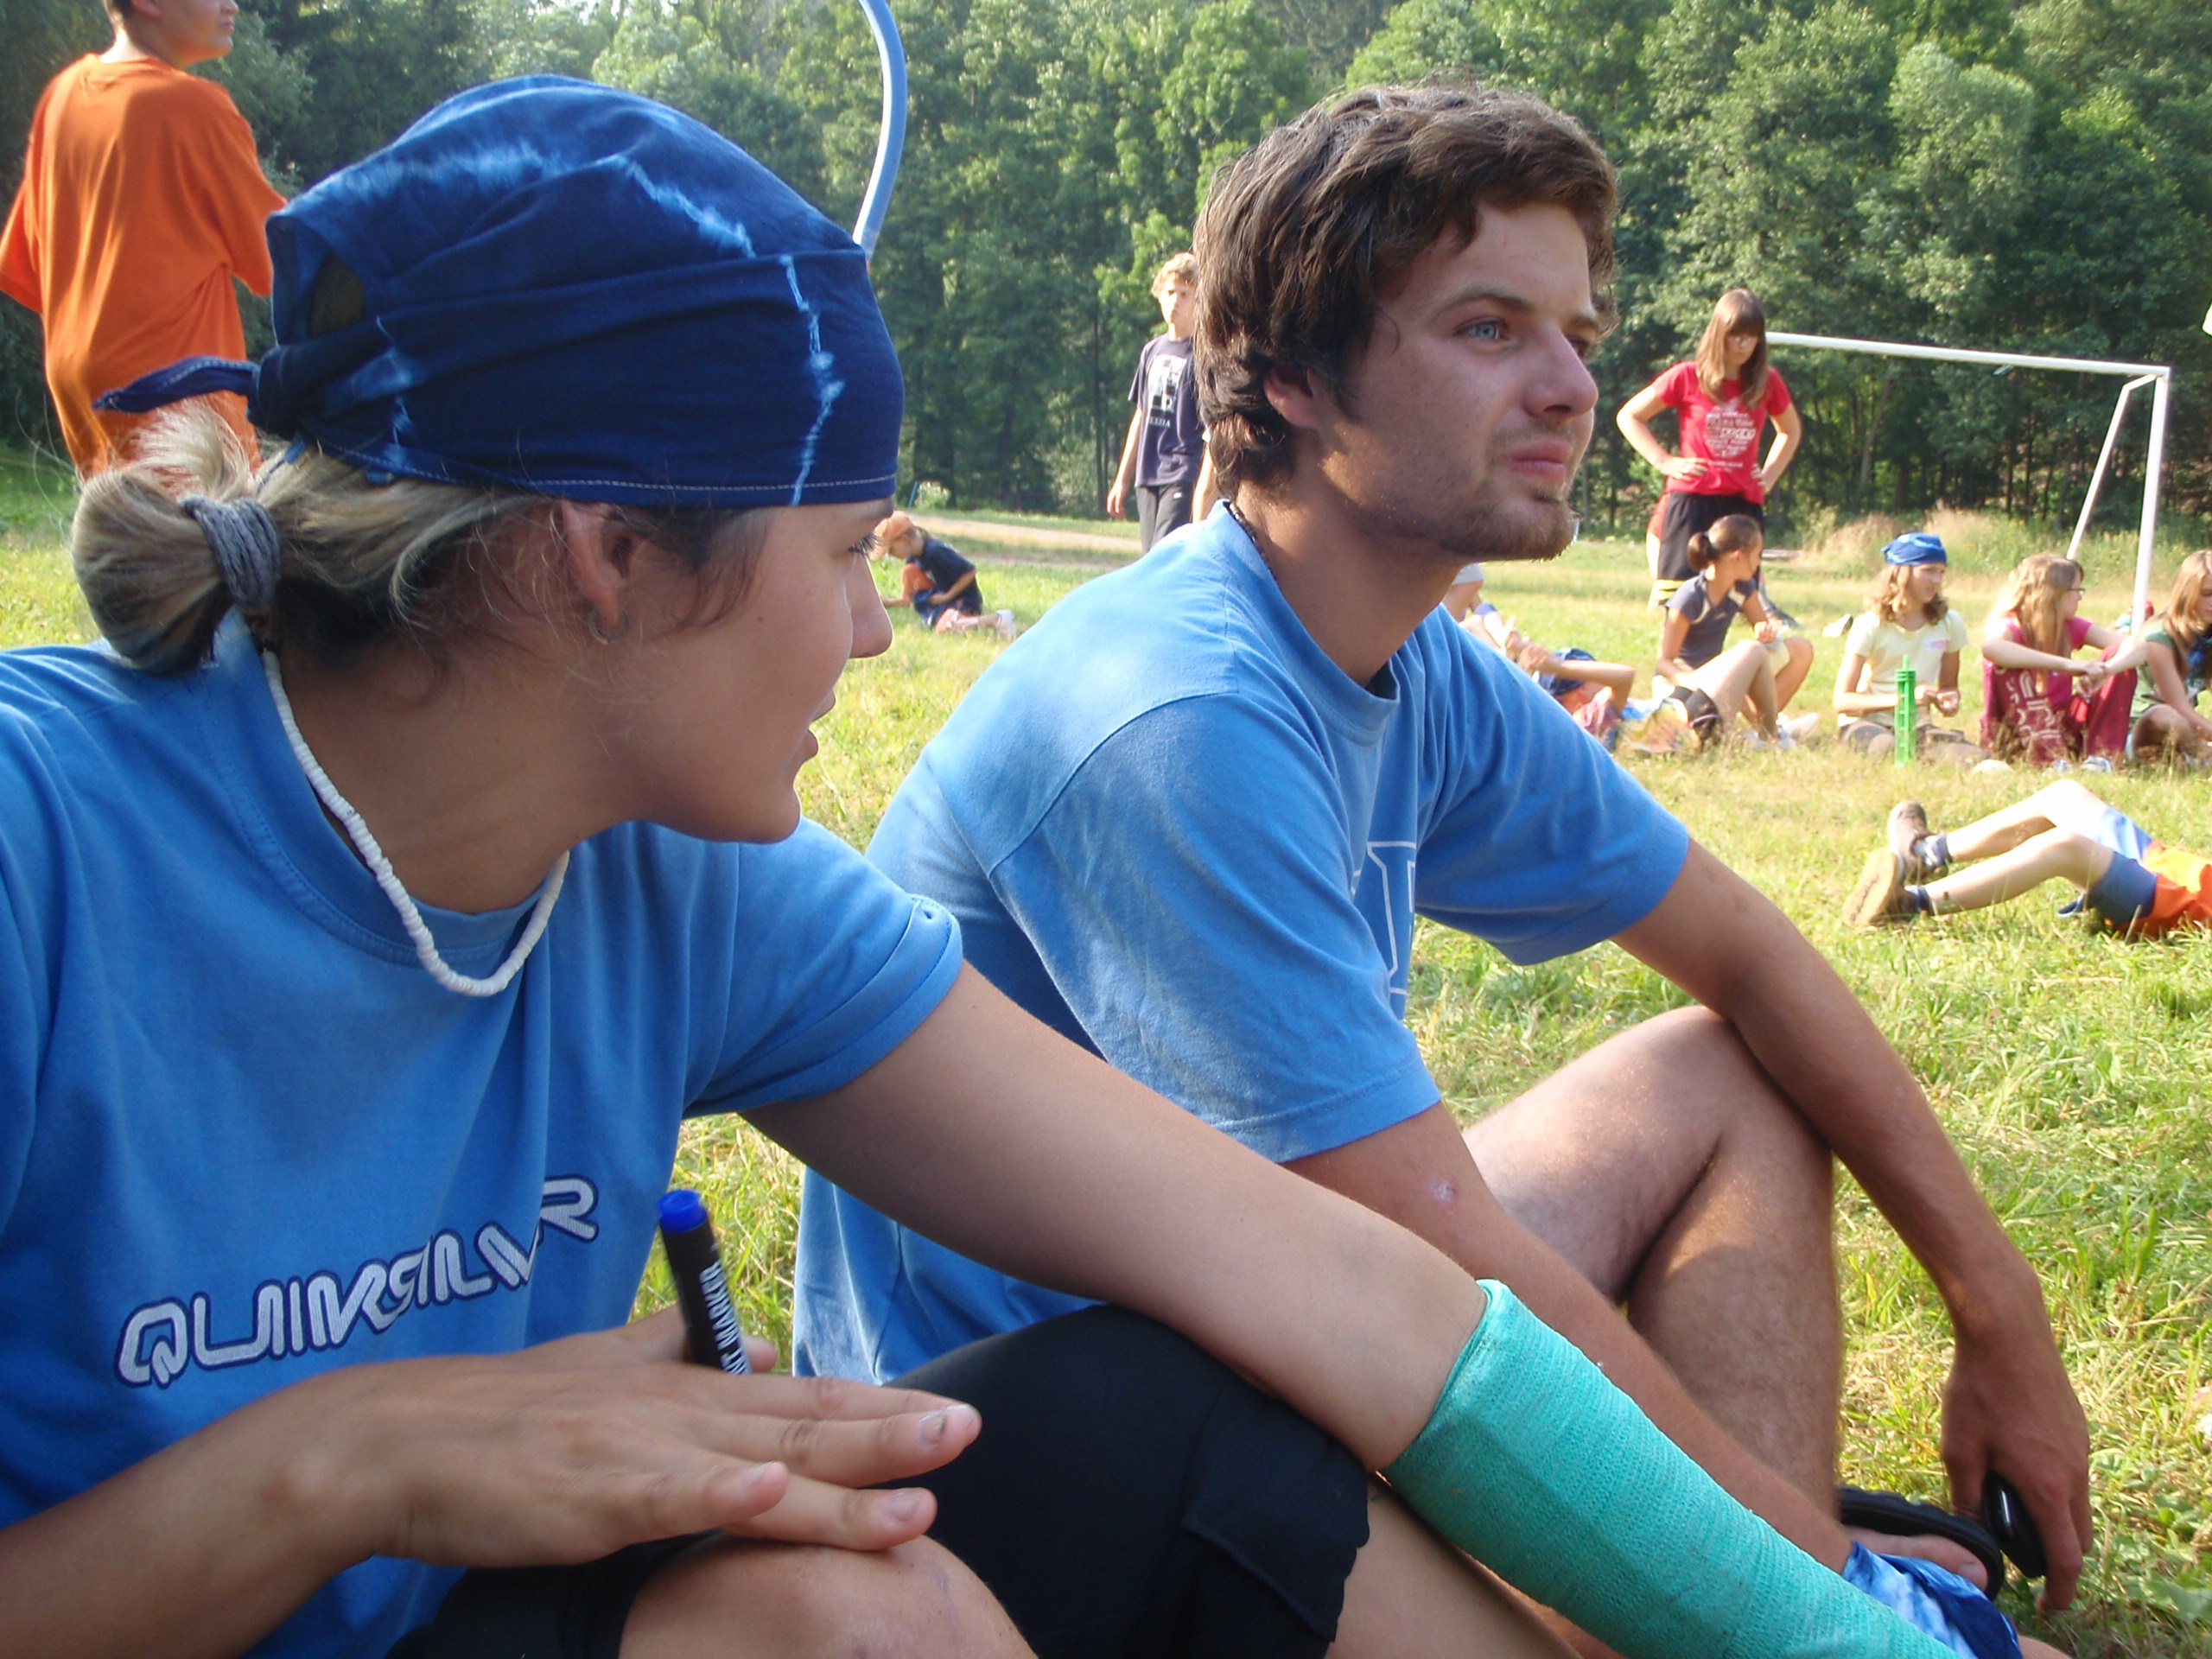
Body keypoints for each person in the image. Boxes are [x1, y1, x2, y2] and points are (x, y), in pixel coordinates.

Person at [4, 78, 2020, 1659]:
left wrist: (1833, 1641)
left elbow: (1322, 1278)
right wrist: (342, 1460)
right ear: (603, 557)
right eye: (837, 557)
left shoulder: (688, 876)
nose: (874, 632)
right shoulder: (42, 850)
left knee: (1143, 1426)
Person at [800, 79, 2093, 1634]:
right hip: (1066, 1440)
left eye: (1580, 335)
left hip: (1294, 1303)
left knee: (1723, 1074)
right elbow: (1432, 1263)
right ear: (1289, 377)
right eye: (1491, 328)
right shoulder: (1174, 710)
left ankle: (1760, 1590)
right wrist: (1851, 1601)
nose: (1571, 387)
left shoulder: (1418, 657)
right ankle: (1792, 1602)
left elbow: (1745, 954)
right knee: (1745, 1567)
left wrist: (1999, 1305)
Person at [0, 0, 284, 473]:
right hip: (172, 391)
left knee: (125, 520)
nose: (231, 4)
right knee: (213, 521)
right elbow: (284, 255)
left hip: (78, 382)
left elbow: (30, 265)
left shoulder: (64, 93)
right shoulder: (191, 107)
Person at [1616, 289, 1802, 599]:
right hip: (1693, 499)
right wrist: (1663, 460)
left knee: (1741, 600)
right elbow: (1629, 416)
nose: (1744, 344)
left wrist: (1769, 476)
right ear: (1719, 334)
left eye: (1751, 336)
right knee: (1679, 597)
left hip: (1742, 503)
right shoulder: (1687, 376)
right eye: (1736, 335)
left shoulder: (1767, 382)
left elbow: (1790, 431)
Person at [1847, 785, 2212, 937]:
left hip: (2176, 904)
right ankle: (1925, 855)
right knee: (2064, 795)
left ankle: (1907, 904)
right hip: (2169, 866)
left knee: (2063, 846)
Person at [1833, 532, 1988, 765]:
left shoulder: (1949, 623)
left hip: (1918, 725)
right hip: (1866, 723)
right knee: (1887, 748)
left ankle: (1925, 753)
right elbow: (1842, 701)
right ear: (1902, 573)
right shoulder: (1870, 624)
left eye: (1941, 572)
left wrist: (1948, 700)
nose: (1937, 580)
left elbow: (1949, 687)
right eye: (1929, 570)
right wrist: (1904, 698)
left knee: (1976, 759)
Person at [1654, 516, 1806, 747]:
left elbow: (1764, 630)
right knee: (1748, 655)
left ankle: (1765, 728)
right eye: (1757, 555)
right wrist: (1692, 680)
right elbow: (1664, 662)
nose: (1758, 563)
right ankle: (1771, 733)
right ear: (1738, 556)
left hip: (1719, 674)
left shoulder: (1742, 588)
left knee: (1800, 649)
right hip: (1681, 687)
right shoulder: (1690, 598)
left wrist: (1765, 632)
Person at [1441, 562, 1633, 742]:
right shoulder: (1593, 717)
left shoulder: (1585, 720)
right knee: (1477, 621)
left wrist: (1554, 665)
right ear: (1580, 692)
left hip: (1507, 688)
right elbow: (1624, 676)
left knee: (1477, 622)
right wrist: (1554, 665)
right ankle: (1507, 649)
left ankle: (1506, 649)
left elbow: (1625, 676)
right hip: (1508, 685)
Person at [1981, 554, 2142, 766]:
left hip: (2063, 726)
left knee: (2118, 656)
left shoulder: (2069, 626)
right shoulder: (2010, 626)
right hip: (2017, 733)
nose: (2080, 598)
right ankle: (2048, 760)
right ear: (2055, 593)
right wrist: (2066, 665)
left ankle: (2101, 758)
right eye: (2077, 590)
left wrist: (2107, 671)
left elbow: (2138, 646)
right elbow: (1992, 648)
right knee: (2006, 666)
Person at [1106, 252, 1205, 551]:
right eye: (1170, 292)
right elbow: (1141, 415)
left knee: (1165, 552)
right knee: (1150, 556)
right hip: (1149, 471)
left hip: (1183, 469)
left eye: (1184, 294)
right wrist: (1122, 479)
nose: (1175, 301)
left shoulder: (1204, 354)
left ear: (1199, 300)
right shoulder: (1151, 351)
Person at [2126, 550, 2212, 764]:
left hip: (2185, 733)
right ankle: (2203, 758)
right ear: (2187, 593)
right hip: (2139, 730)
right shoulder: (2160, 636)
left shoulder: (2207, 636)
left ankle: (2196, 758)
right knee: (2165, 715)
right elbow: (2179, 707)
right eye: (2207, 593)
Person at [875, 510, 1014, 638]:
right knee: (909, 571)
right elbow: (908, 600)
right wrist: (888, 603)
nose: (890, 555)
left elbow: (970, 572)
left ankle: (996, 619)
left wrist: (947, 596)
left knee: (943, 627)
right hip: (944, 600)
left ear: (905, 539)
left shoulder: (935, 551)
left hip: (964, 601)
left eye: (891, 549)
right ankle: (938, 618)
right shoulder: (913, 558)